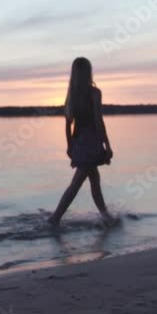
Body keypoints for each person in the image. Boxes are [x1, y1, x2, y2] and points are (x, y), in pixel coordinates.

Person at [47, 57, 116, 227]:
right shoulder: (94, 93)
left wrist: (70, 145)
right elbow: (98, 121)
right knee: (77, 183)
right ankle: (55, 218)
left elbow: (67, 124)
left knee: (94, 180)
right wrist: (107, 145)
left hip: (79, 142)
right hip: (91, 142)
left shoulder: (72, 95)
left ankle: (106, 217)